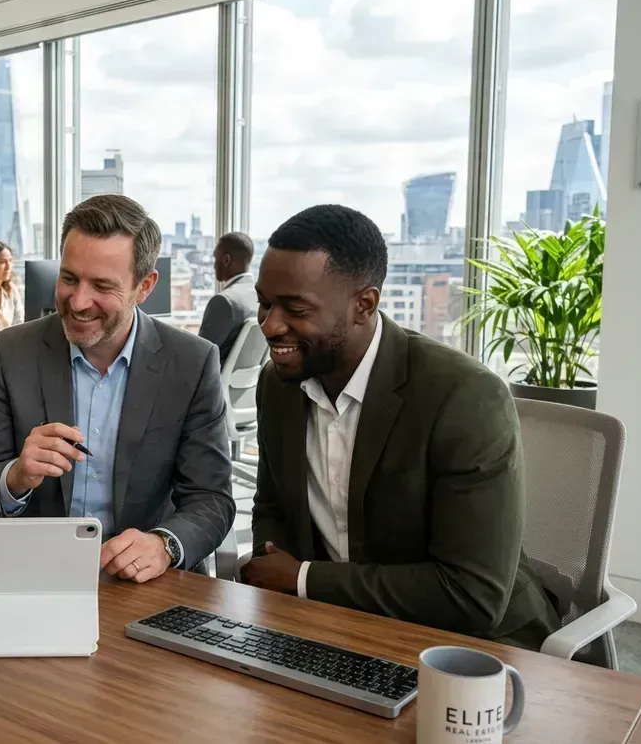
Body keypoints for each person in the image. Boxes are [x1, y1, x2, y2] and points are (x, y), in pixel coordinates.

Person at [239, 204, 559, 649]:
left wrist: (305, 579)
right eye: (264, 303)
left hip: (472, 644)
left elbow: (472, 594)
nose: (270, 324)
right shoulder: (279, 385)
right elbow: (272, 507)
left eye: (294, 308)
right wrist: (276, 570)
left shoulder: (463, 396)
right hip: (331, 627)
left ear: (364, 305)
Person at [0, 194, 235, 583]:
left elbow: (211, 499)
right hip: (32, 574)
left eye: (102, 286)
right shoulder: (11, 351)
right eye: (69, 278)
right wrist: (15, 477)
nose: (79, 301)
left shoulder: (191, 362)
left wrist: (164, 544)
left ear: (145, 286)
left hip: (140, 582)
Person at [197, 231, 258, 364]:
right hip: (248, 382)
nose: (213, 265)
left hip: (213, 381)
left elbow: (200, 353)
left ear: (226, 260)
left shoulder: (224, 301)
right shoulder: (260, 297)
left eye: (215, 258)